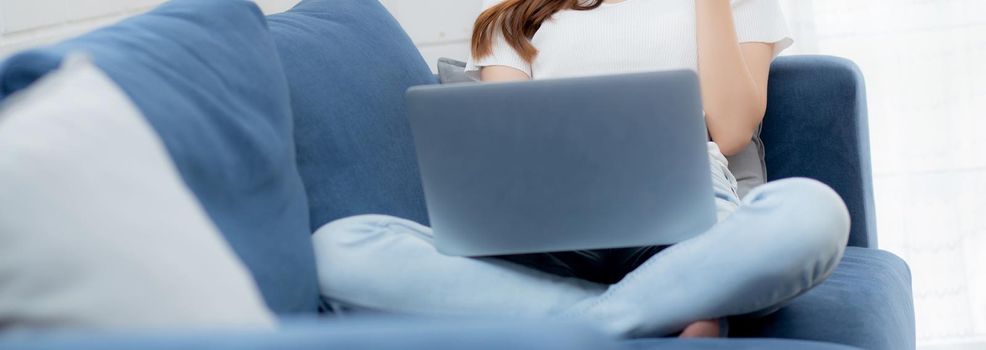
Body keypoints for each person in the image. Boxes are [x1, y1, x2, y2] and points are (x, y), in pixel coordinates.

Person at [312, 0, 850, 338]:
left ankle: (586, 323)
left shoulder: (733, 5)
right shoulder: (514, 17)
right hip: (544, 228)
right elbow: (503, 146)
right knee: (338, 248)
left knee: (815, 212)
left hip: (689, 216)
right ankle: (658, 310)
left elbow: (731, 129)